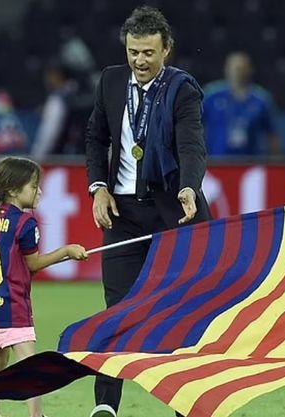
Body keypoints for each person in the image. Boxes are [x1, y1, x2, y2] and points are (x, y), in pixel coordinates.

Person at [84, 6, 211, 417]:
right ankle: (106, 407)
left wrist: (189, 188)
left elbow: (191, 145)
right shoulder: (111, 81)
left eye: (148, 53)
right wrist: (98, 187)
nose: (139, 60)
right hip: (122, 216)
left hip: (172, 214)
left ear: (166, 49)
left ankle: (185, 406)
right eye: (133, 52)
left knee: (182, 314)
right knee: (117, 313)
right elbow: (95, 138)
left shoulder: (182, 90)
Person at [0, 156, 88, 417]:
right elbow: (33, 264)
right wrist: (66, 252)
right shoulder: (26, 222)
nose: (40, 192)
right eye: (34, 186)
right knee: (31, 368)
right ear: (14, 190)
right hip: (13, 304)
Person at [202, 51, 282, 156]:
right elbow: (193, 126)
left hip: (250, 161)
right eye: (233, 68)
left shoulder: (261, 100)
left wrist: (275, 161)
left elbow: (272, 135)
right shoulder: (211, 96)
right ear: (226, 69)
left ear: (250, 70)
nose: (236, 72)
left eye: (240, 68)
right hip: (217, 161)